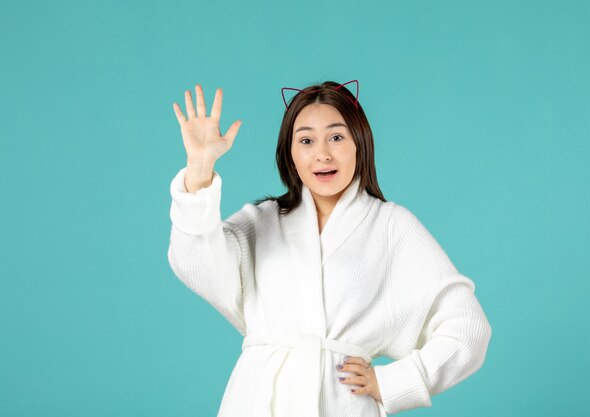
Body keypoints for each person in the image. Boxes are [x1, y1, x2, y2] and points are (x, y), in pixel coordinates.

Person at [167, 80, 492, 417]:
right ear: (290, 154)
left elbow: (469, 328)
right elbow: (197, 265)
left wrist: (397, 383)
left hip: (343, 404)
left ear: (359, 144)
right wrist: (200, 171)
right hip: (257, 401)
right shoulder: (260, 222)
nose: (322, 153)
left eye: (336, 137)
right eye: (306, 140)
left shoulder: (392, 227)